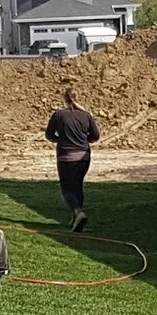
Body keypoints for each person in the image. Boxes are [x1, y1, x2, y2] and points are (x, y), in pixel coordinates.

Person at [44, 86, 100, 229]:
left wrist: (61, 139)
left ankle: (77, 211)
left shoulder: (58, 115)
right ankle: (75, 218)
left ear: (65, 99)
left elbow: (49, 135)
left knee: (67, 188)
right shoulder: (86, 115)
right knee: (78, 185)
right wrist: (82, 139)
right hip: (83, 157)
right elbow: (95, 136)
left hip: (66, 157)